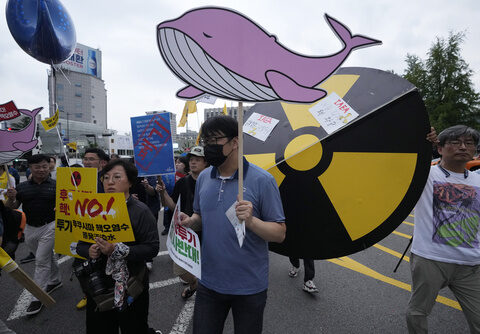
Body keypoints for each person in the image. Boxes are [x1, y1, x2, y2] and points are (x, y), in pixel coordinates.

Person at [180, 116, 286, 334]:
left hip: (249, 287)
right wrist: (189, 222)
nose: (209, 147)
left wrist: (251, 221)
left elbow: (279, 234)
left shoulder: (262, 180)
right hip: (209, 282)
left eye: (215, 140)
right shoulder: (203, 178)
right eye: (205, 141)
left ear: (235, 142)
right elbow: (201, 217)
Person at [406, 125, 480, 333]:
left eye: (469, 143)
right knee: (417, 313)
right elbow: (401, 159)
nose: (463, 147)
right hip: (431, 260)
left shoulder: (478, 179)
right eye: (455, 142)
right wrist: (421, 140)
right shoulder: (424, 175)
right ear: (440, 148)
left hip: (470, 264)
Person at [76, 159, 161, 334]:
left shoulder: (140, 211)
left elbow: (152, 248)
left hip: (132, 283)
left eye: (116, 177)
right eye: (105, 178)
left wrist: (118, 251)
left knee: (134, 327)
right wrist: (88, 250)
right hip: (98, 284)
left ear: (130, 182)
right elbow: (79, 245)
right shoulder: (92, 208)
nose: (110, 182)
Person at [5, 154, 62, 316]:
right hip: (30, 228)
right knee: (45, 256)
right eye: (37, 167)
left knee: (41, 260)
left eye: (45, 166)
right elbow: (13, 206)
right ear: (30, 167)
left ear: (49, 167)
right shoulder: (22, 188)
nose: (41, 170)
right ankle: (56, 279)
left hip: (50, 226)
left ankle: (38, 297)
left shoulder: (57, 185)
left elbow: (65, 204)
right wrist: (11, 198)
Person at [157, 146, 208, 299]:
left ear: (206, 163)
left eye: (197, 160)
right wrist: (163, 192)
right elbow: (172, 206)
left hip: (208, 232)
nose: (193, 163)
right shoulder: (183, 182)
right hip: (186, 232)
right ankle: (194, 283)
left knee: (209, 270)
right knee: (180, 270)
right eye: (191, 159)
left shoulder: (212, 182)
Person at [75, 148, 110, 309]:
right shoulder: (77, 178)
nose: (87, 162)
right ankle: (87, 294)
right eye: (85, 159)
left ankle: (109, 294)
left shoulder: (108, 179)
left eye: (91, 159)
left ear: (101, 162)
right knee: (81, 263)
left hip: (106, 226)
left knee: (105, 262)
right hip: (85, 226)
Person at [160, 156, 189, 236]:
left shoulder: (192, 179)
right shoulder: (173, 176)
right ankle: (167, 227)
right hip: (175, 208)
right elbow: (172, 205)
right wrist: (163, 191)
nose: (176, 165)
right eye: (176, 163)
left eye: (179, 163)